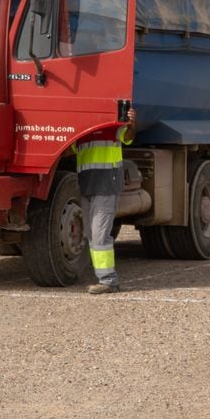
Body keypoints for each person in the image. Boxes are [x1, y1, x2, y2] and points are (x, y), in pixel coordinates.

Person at [73, 107, 136, 294]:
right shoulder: (81, 132)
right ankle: (104, 277)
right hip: (88, 187)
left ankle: (108, 280)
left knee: (100, 236)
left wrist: (132, 123)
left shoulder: (112, 127)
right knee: (92, 236)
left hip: (107, 187)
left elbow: (129, 137)